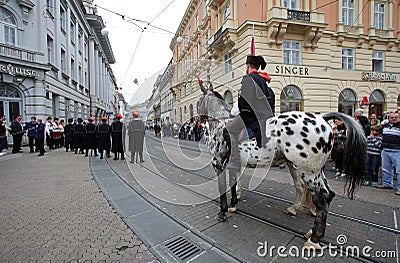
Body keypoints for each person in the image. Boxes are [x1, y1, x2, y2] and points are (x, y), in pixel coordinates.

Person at [225, 55, 275, 172]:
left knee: (226, 131)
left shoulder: (249, 78)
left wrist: (240, 112)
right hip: (263, 116)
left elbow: (245, 103)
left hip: (252, 117)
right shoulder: (262, 79)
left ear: (248, 66)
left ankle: (234, 160)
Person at [377, 112, 400, 195]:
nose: (394, 119)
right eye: (391, 117)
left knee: (399, 170)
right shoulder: (385, 126)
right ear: (388, 118)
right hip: (385, 150)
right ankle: (387, 183)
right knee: (386, 168)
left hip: (397, 151)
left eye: (396, 117)